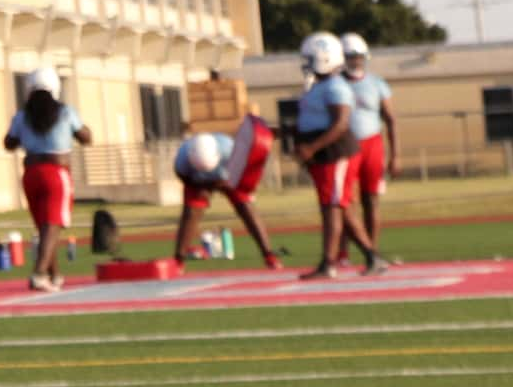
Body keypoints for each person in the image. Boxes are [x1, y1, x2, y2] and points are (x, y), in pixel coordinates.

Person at [291, 33, 382, 279]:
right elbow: (312, 121)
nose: (307, 63)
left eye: (311, 58)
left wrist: (311, 147)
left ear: (323, 57)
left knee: (332, 207)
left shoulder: (335, 86)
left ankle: (328, 263)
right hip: (324, 156)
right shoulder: (319, 86)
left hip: (335, 154)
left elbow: (340, 123)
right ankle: (373, 257)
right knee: (342, 209)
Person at [3, 68, 91, 291]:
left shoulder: (22, 115)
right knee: (53, 226)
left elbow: (9, 143)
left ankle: (55, 274)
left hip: (31, 173)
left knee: (44, 227)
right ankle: (40, 273)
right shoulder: (65, 112)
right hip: (56, 172)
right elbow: (85, 137)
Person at [171, 116, 286, 268]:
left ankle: (269, 255)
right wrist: (198, 187)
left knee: (246, 208)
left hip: (227, 177)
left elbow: (242, 171)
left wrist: (224, 183)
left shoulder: (229, 148)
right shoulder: (182, 158)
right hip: (197, 182)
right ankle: (179, 260)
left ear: (218, 156)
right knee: (190, 213)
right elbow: (182, 176)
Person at [339, 32, 400, 259]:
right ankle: (343, 251)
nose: (355, 61)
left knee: (371, 199)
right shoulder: (336, 84)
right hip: (346, 146)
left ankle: (371, 251)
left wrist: (396, 155)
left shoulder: (376, 83)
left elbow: (390, 119)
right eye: (350, 56)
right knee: (345, 201)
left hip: (372, 144)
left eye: (359, 56)